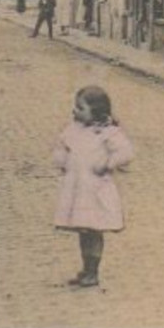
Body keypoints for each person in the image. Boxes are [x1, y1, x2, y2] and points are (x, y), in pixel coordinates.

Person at [52, 85, 135, 289]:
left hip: (96, 190)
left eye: (81, 108)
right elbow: (63, 146)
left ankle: (93, 271)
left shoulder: (108, 132)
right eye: (75, 107)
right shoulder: (73, 129)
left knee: (94, 230)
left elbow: (125, 152)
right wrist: (62, 159)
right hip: (78, 189)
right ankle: (86, 268)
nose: (75, 111)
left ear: (96, 110)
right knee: (83, 231)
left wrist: (107, 163)